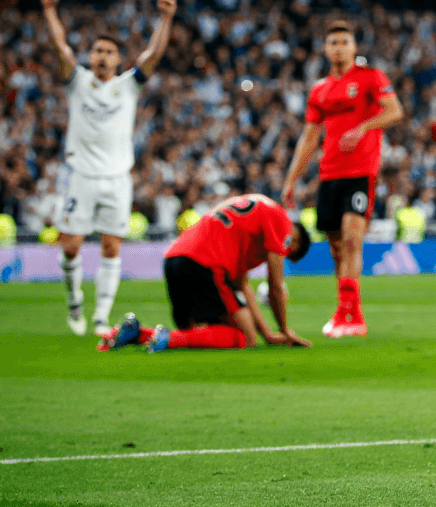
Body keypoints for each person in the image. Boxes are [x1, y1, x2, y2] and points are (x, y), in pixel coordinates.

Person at [42, 0, 177, 337]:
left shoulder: (128, 85)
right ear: (90, 56)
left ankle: (101, 315)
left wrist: (166, 18)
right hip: (81, 175)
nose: (102, 57)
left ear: (118, 60)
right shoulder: (78, 82)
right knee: (70, 246)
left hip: (117, 177)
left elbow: (154, 53)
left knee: (110, 246)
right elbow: (60, 47)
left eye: (109, 52)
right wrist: (49, 12)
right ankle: (74, 300)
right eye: (98, 51)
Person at [282, 20, 404, 337]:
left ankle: (352, 315)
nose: (338, 47)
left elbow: (394, 111)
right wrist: (291, 179)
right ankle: (346, 311)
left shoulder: (370, 78)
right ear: (325, 48)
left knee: (352, 237)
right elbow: (309, 138)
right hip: (329, 173)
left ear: (354, 47)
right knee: (337, 248)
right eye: (333, 42)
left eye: (344, 42)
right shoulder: (319, 90)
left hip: (361, 171)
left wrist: (363, 127)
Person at [100, 194, 313, 352]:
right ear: (293, 243)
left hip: (175, 258)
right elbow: (275, 285)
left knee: (202, 330)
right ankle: (168, 338)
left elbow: (243, 285)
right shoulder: (282, 224)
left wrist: (268, 333)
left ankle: (137, 333)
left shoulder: (252, 218)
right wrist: (285, 330)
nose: (278, 255)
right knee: (245, 339)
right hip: (206, 263)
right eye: (287, 253)